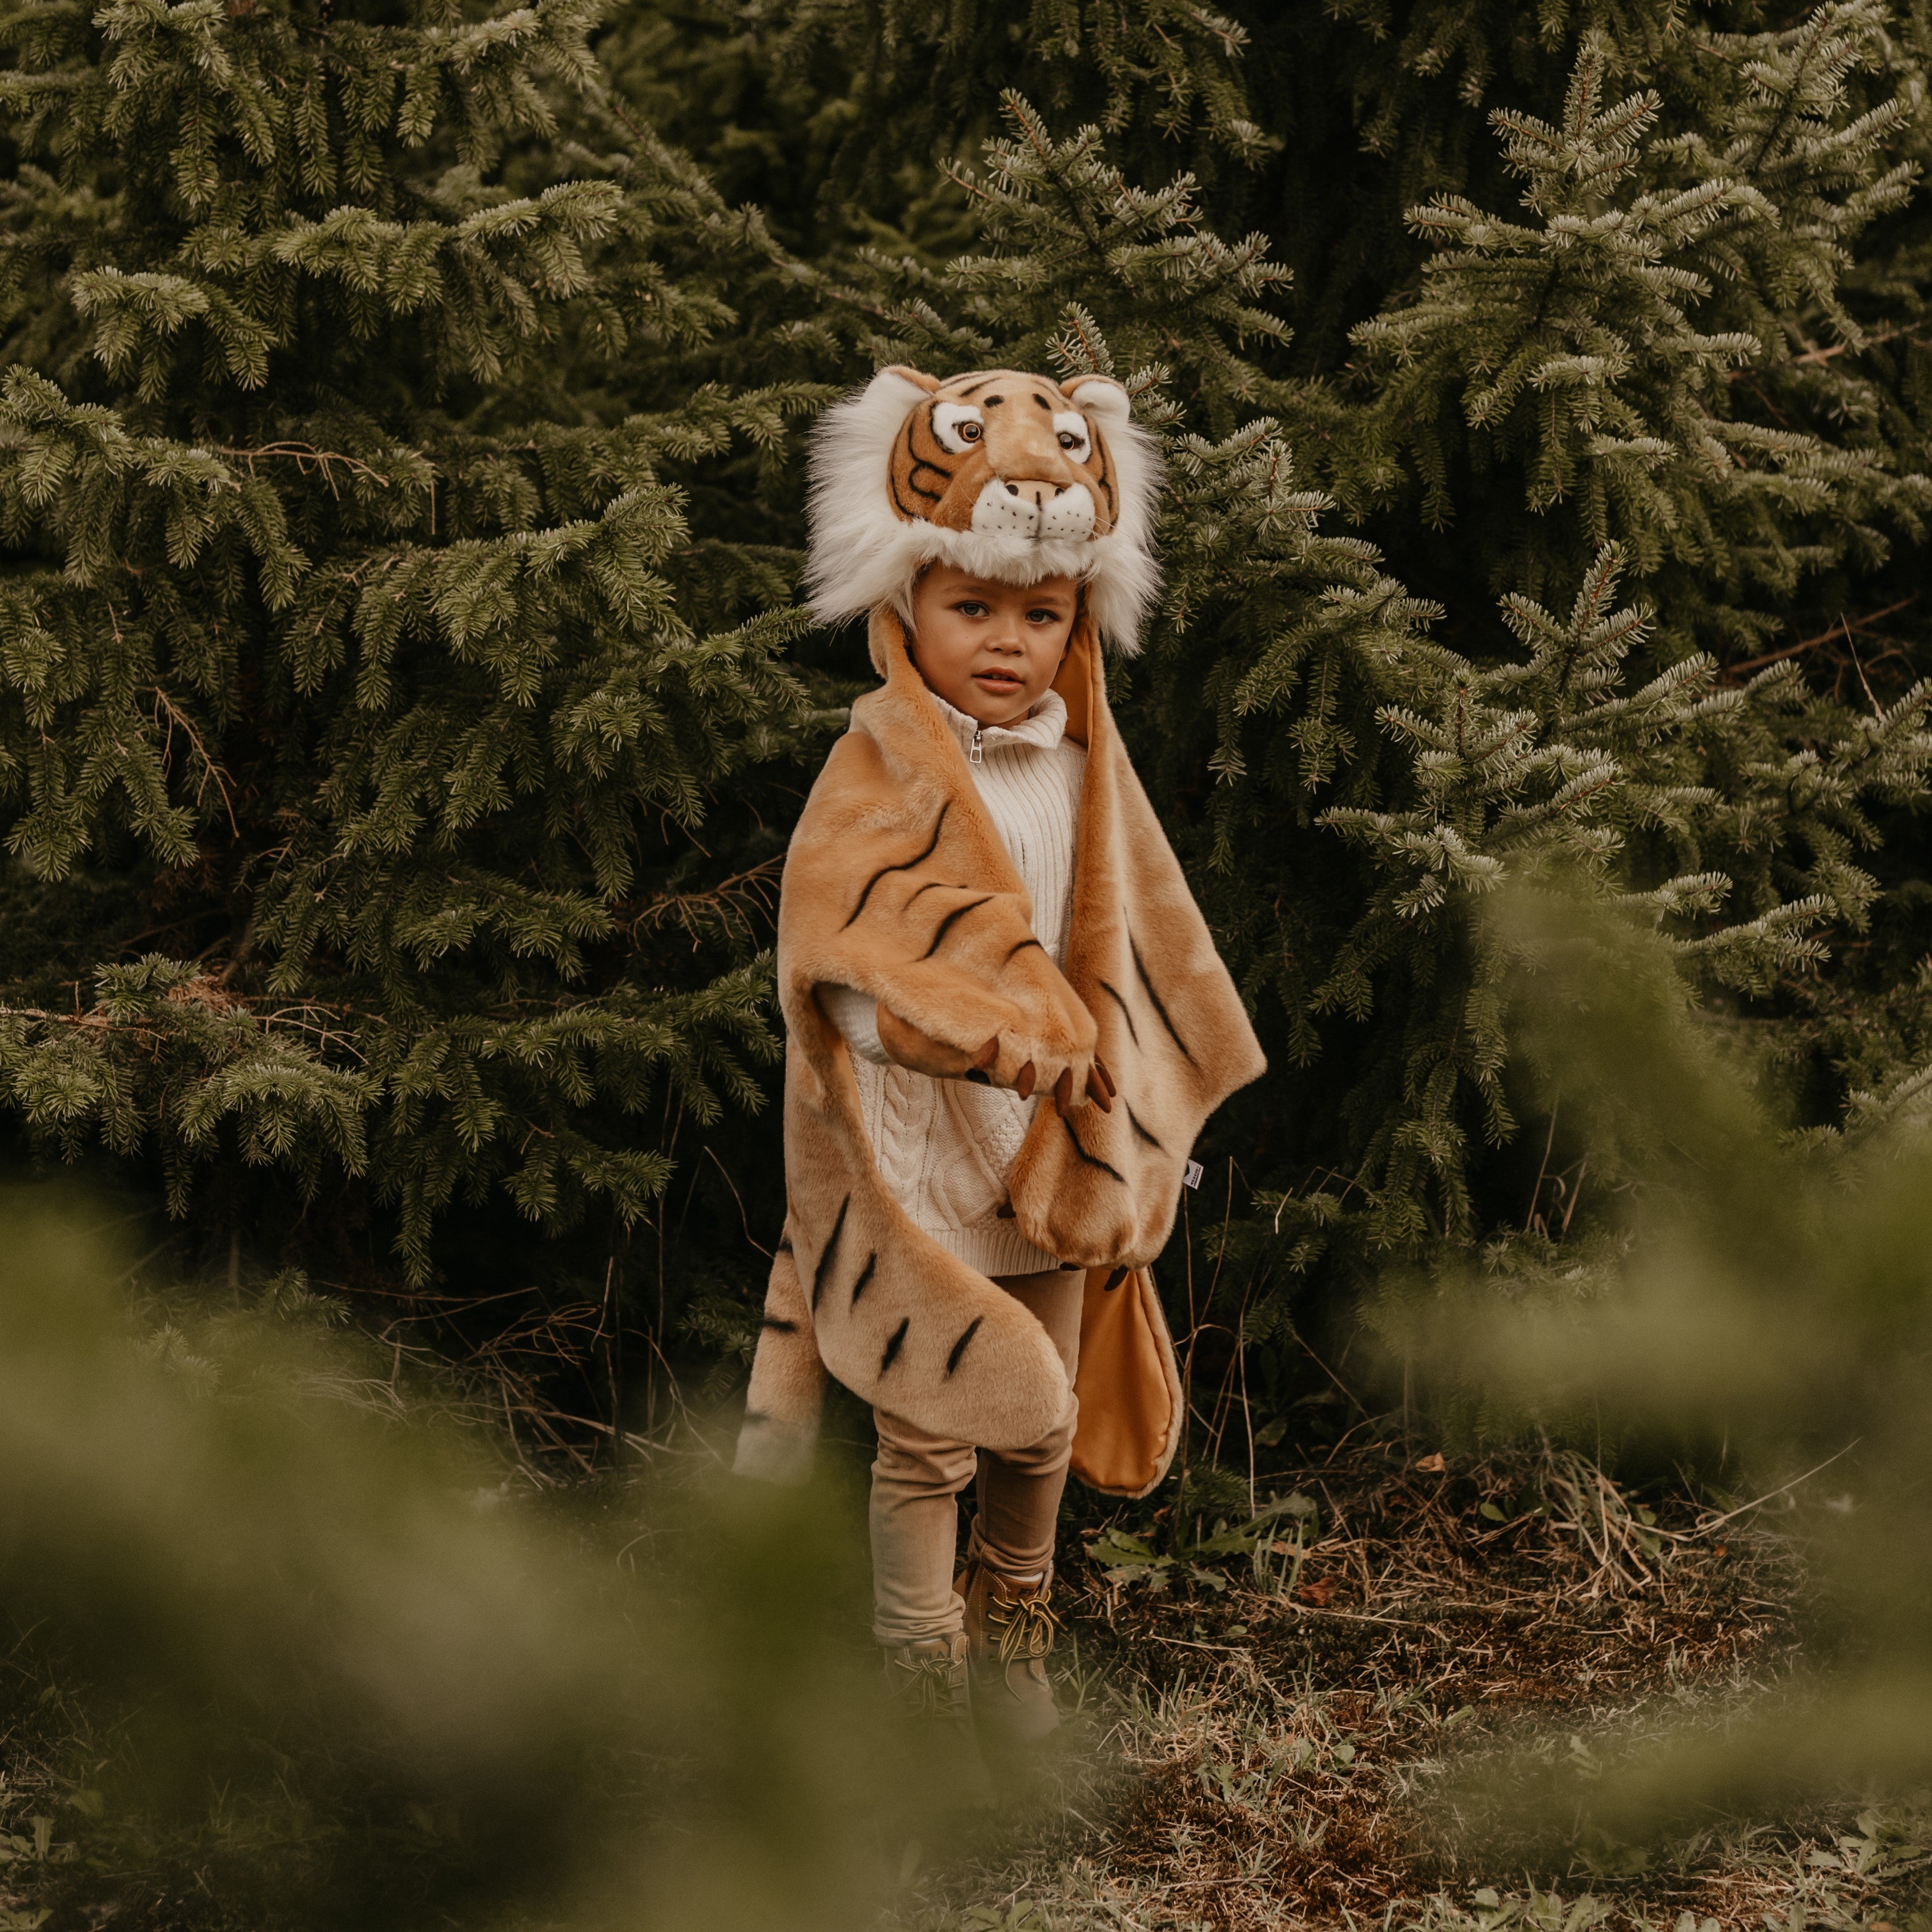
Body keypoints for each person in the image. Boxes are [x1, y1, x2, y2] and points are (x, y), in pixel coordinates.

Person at [734, 365, 1264, 1767]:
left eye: (1042, 616)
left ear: (1079, 622)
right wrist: (950, 1033)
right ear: (906, 603)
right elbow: (831, 974)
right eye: (973, 608)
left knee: (1041, 1423)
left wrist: (1138, 1121)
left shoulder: (1087, 776)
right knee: (932, 1435)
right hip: (921, 1162)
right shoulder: (878, 772)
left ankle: (1013, 1627)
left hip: (1055, 1155)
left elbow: (1137, 957)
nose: (1009, 643)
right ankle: (918, 1666)